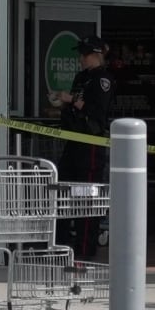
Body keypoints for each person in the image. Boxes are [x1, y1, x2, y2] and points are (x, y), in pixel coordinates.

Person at [53, 35, 114, 260]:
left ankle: (85, 250)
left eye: (84, 54)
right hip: (73, 141)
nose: (81, 59)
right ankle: (61, 244)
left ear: (96, 55)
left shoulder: (102, 80)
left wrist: (73, 101)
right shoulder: (81, 77)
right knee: (62, 190)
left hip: (91, 144)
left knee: (87, 197)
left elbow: (98, 112)